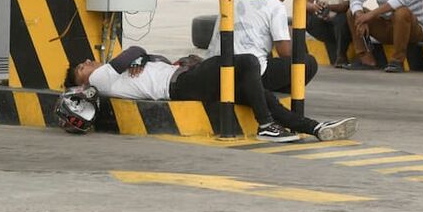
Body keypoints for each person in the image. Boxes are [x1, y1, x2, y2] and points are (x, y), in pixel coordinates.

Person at [66, 47, 356, 142]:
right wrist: (138, 57)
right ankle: (267, 126)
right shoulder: (101, 80)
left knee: (261, 94)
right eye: (81, 67)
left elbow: (151, 56)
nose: (88, 63)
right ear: (80, 84)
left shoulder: (115, 73)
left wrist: (141, 59)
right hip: (181, 86)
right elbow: (134, 51)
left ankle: (315, 128)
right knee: (247, 62)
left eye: (86, 62)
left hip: (183, 79)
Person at [205, 0, 319, 95]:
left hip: (215, 70)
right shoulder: (276, 6)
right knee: (308, 63)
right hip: (249, 73)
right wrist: (292, 33)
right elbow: (285, 52)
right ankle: (267, 93)